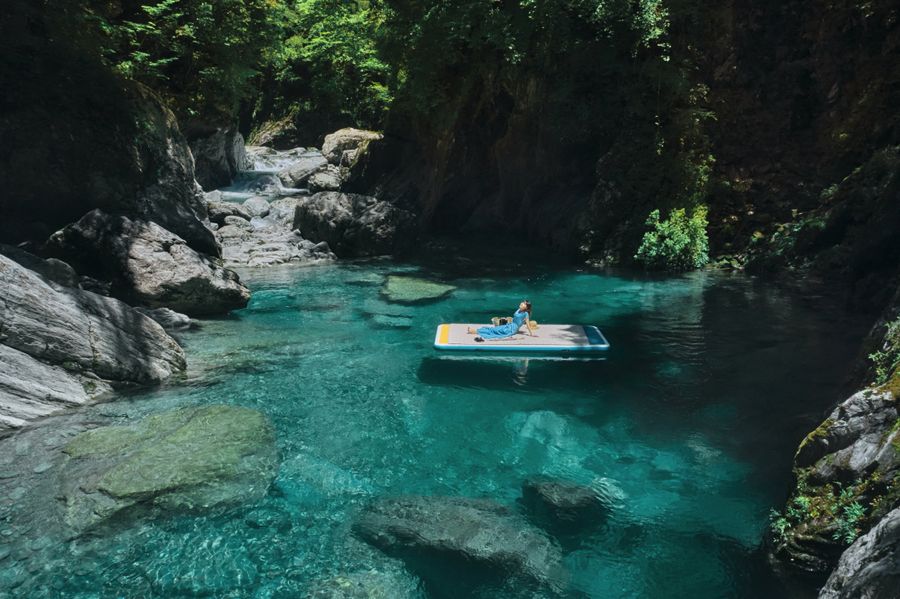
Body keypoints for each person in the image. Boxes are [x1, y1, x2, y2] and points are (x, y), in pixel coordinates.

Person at [467, 301, 534, 342]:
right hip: (510, 325)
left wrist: (531, 334)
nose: (522, 303)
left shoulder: (525, 314)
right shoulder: (519, 310)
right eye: (522, 302)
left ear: (526, 308)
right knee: (495, 329)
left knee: (497, 331)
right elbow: (515, 318)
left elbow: (527, 324)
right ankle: (477, 331)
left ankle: (475, 331)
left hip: (512, 329)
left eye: (524, 304)